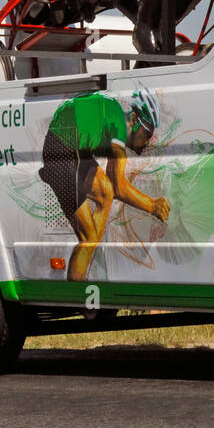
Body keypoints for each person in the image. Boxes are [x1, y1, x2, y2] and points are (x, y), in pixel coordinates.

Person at [38, 88, 171, 282]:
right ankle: (78, 293)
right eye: (147, 133)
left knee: (105, 193)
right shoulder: (118, 126)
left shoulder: (113, 115)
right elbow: (119, 185)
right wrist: (152, 205)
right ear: (134, 119)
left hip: (71, 147)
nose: (147, 142)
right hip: (61, 152)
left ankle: (88, 263)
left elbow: (112, 187)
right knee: (88, 238)